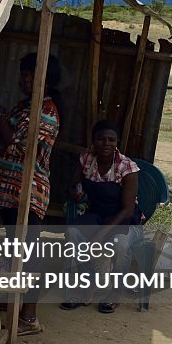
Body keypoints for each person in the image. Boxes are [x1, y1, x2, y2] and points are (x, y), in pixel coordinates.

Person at [0, 53, 60, 335]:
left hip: (26, 193)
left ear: (46, 80)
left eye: (32, 75)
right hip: (10, 194)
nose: (26, 80)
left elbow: (17, 145)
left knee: (29, 255)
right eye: (24, 74)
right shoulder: (26, 105)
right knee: (14, 252)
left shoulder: (46, 112)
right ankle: (15, 306)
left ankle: (29, 317)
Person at [61, 120, 142, 314]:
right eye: (101, 139)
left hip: (123, 217)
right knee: (73, 233)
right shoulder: (87, 159)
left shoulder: (127, 167)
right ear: (94, 141)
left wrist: (100, 235)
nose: (106, 143)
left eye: (111, 140)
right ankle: (89, 284)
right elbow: (73, 185)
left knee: (121, 245)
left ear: (117, 142)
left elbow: (128, 209)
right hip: (96, 213)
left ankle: (115, 293)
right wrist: (76, 192)